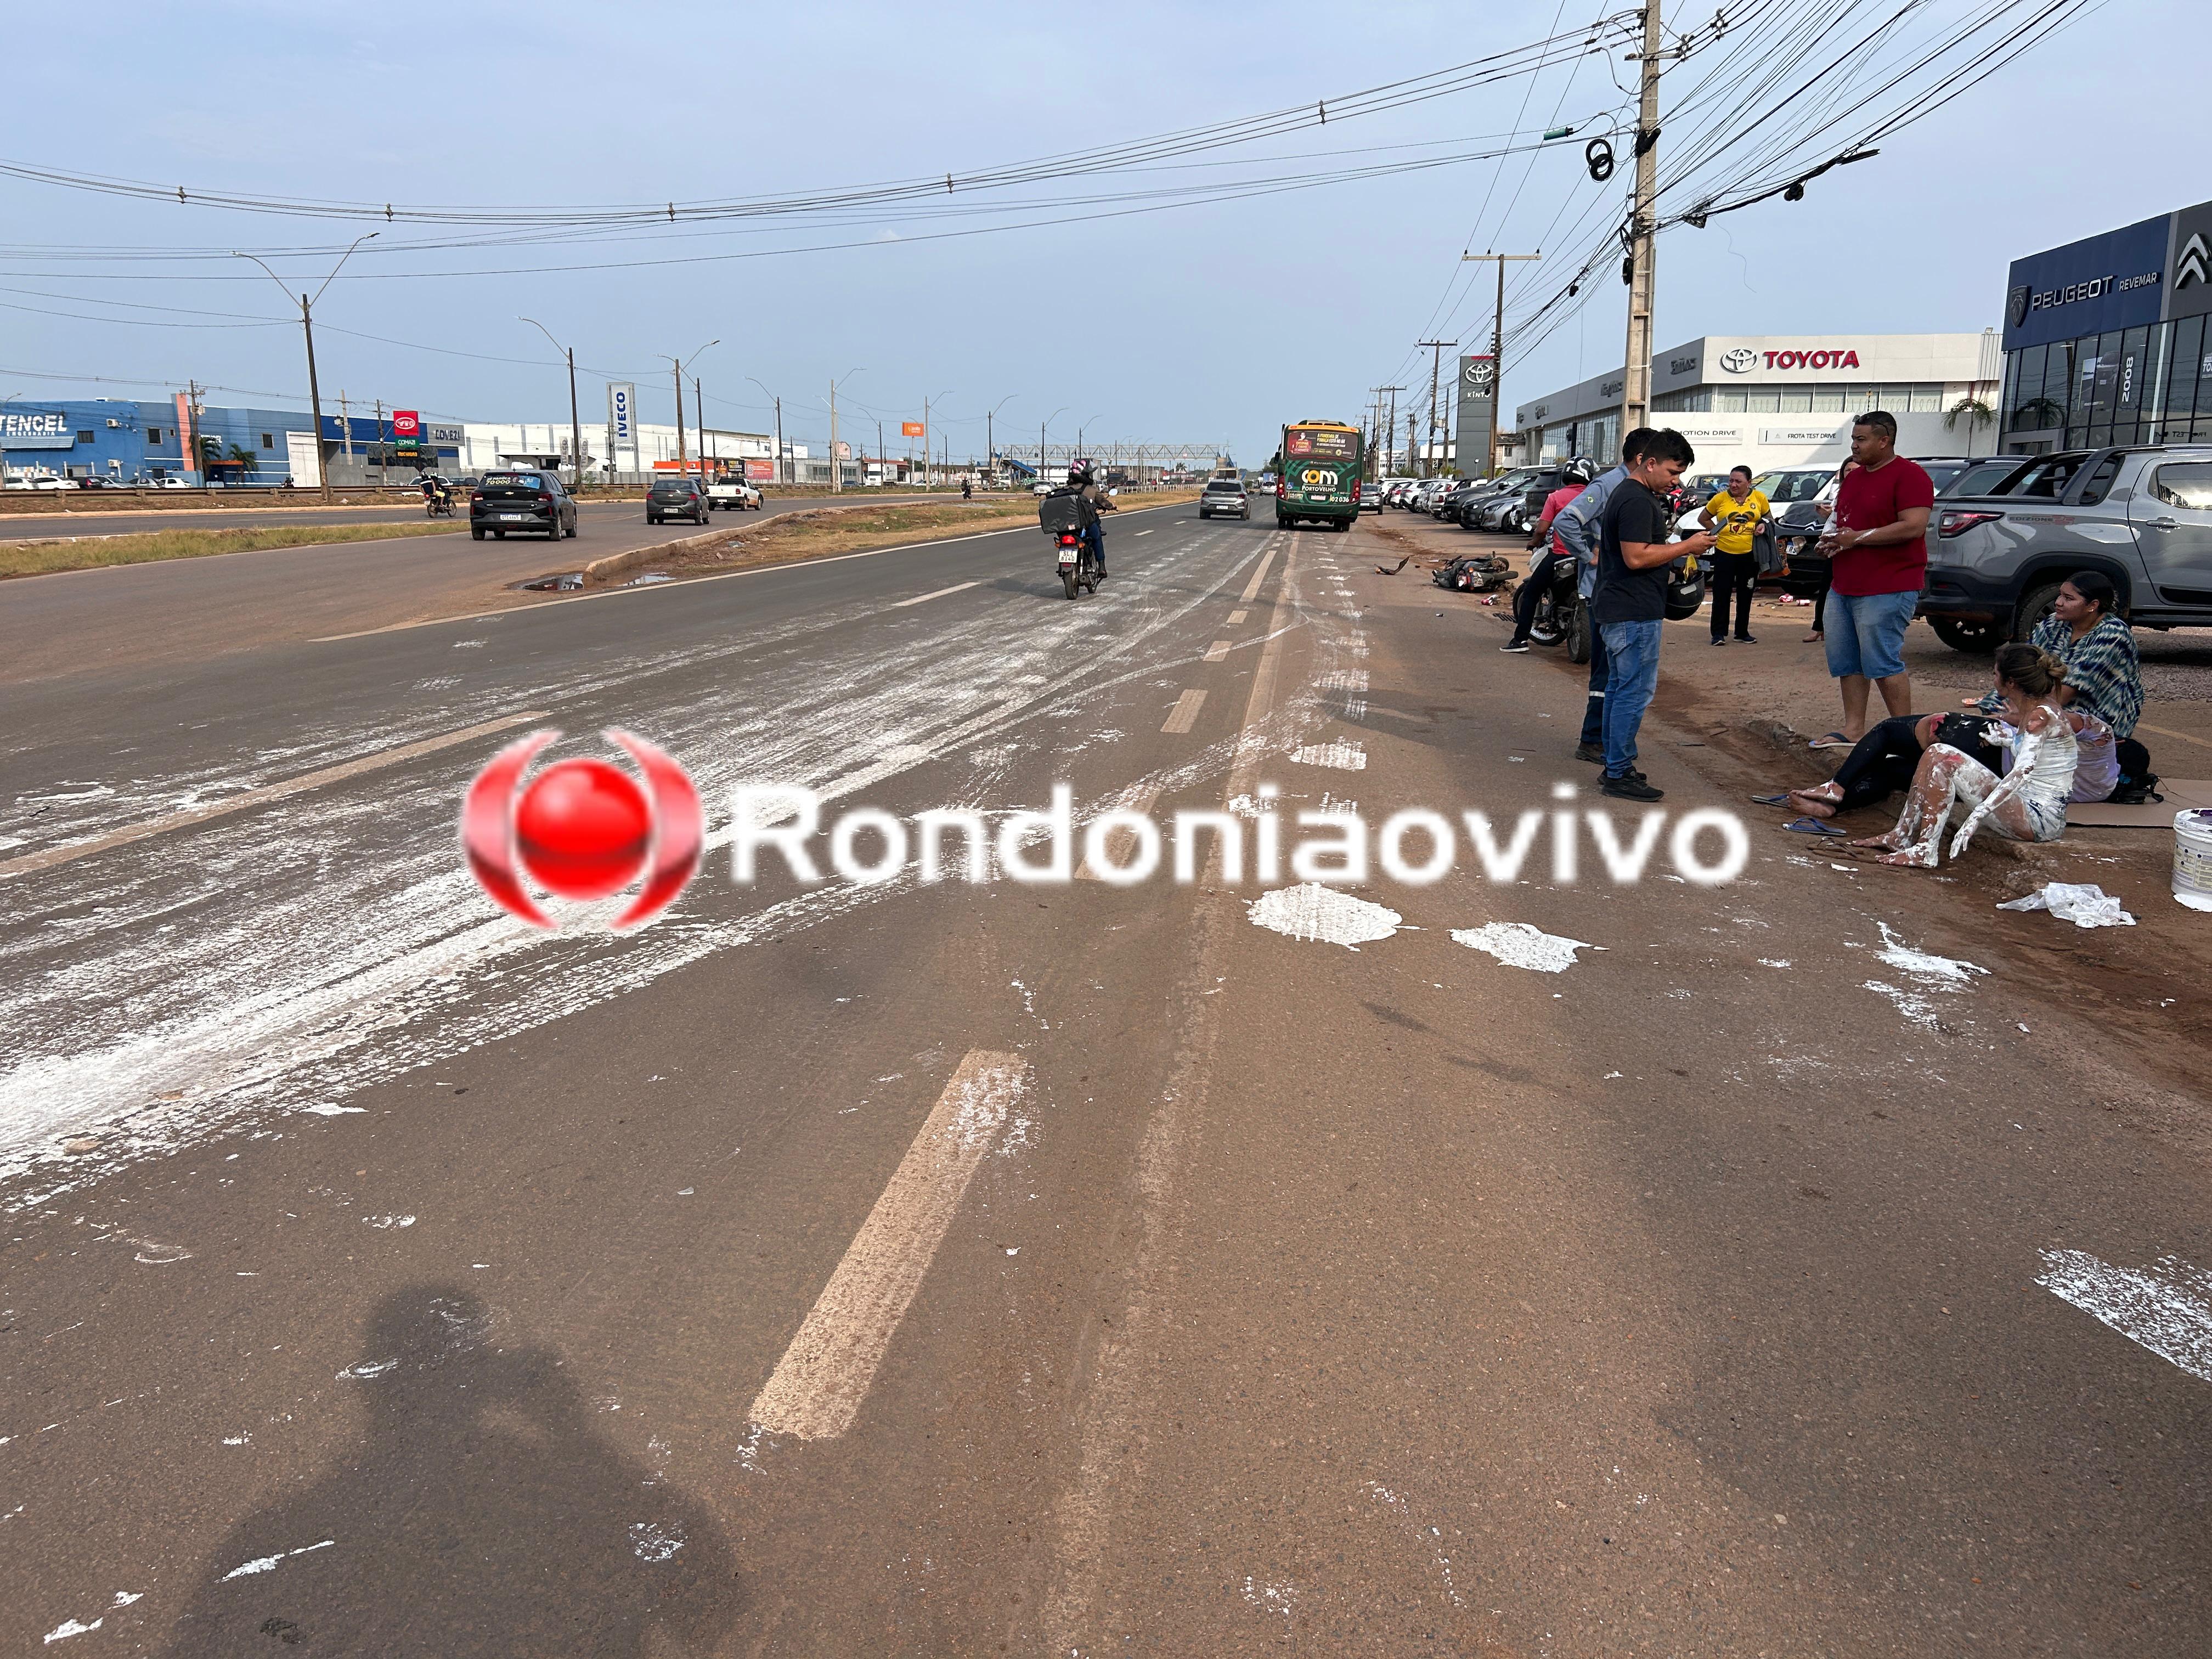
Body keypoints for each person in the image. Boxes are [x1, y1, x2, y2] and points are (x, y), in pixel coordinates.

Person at [1851, 642, 2078, 867]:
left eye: (1995, 674)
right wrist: (2006, 741)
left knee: (1942, 755)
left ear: (2011, 683)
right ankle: (1902, 835)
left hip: (2038, 819)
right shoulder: (2037, 708)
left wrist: (1976, 816)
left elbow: (2021, 773)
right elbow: (2045, 756)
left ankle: (1925, 850)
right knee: (1934, 753)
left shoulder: (2039, 717)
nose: (1993, 679)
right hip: (2028, 809)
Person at [1590, 428, 1715, 802]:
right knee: (1633, 692)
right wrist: (1686, 546)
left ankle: (1616, 764)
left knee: (1619, 689)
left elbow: (1640, 554)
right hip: (1632, 612)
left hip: (1623, 607)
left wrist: (1675, 562)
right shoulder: (1636, 500)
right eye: (1673, 473)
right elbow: (1637, 556)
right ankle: (1618, 772)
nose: (1676, 482)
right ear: (1650, 463)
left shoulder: (1632, 495)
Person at [1815, 413, 1932, 749]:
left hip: (1889, 586)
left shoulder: (1911, 476)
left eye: (1862, 439)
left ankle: (1904, 735)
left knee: (1882, 662)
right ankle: (1854, 730)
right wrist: (1834, 541)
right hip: (1844, 585)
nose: (1854, 445)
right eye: (1853, 438)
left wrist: (1860, 538)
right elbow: (1846, 526)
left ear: (1885, 441)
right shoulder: (1853, 479)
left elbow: (1913, 525)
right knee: (1847, 662)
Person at [1553, 429, 1658, 764]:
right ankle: (1594, 740)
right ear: (1642, 460)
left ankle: (1609, 742)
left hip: (1619, 592)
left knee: (1616, 674)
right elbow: (1565, 519)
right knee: (1607, 673)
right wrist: (1589, 556)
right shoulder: (1610, 486)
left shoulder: (1632, 487)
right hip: (1603, 592)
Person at [2026, 570, 2149, 781]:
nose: (2058, 603)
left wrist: (2022, 713)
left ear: (2093, 606)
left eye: (2069, 599)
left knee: (2031, 722)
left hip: (2099, 710)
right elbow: (2024, 668)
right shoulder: (2052, 624)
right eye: (2060, 595)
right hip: (2049, 699)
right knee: (1997, 703)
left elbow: (2068, 692)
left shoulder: (2113, 634)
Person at [1501, 456, 1596, 652]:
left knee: (1531, 593)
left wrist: (1534, 541)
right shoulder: (1595, 497)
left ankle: (1520, 641)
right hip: (1592, 557)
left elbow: (1542, 529)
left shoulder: (1556, 497)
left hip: (1561, 556)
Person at [1698, 465, 1769, 645]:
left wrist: (1763, 525)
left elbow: (1769, 519)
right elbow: (1703, 518)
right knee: (1721, 593)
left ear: (1749, 483)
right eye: (1731, 481)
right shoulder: (1720, 499)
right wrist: (1716, 531)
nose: (1734, 485)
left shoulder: (1759, 498)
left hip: (1749, 555)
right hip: (1725, 553)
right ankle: (1718, 634)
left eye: (1738, 481)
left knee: (1746, 593)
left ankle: (1742, 632)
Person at [1803, 459, 1856, 643]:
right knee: (1826, 588)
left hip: (1855, 550)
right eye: (1847, 470)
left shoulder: (1867, 493)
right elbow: (1836, 518)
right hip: (1834, 549)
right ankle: (1819, 627)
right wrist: (1828, 515)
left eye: (1854, 469)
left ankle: (1841, 630)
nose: (1850, 472)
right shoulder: (1841, 493)